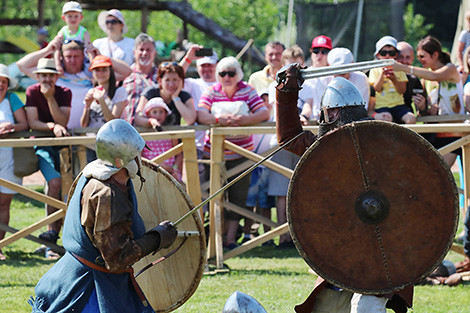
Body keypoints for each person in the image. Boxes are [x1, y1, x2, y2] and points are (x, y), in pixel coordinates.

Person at [275, 65, 412, 312]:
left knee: (366, 307)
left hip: (381, 251)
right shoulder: (322, 147)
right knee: (324, 308)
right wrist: (288, 92)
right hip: (343, 252)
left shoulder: (380, 144)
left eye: (335, 111)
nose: (331, 117)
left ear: (350, 112)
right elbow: (289, 137)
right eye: (328, 112)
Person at [28, 119, 178, 313]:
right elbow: (117, 258)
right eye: (136, 153)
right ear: (124, 160)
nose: (140, 157)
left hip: (80, 275)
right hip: (90, 288)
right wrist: (158, 238)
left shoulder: (92, 177)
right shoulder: (108, 194)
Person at [197, 56, 270, 249]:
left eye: (231, 73)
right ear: (218, 75)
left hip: (241, 154)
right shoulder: (211, 91)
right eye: (222, 73)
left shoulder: (247, 90)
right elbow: (201, 114)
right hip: (214, 154)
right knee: (214, 196)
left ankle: (229, 240)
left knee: (238, 197)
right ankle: (214, 240)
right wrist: (219, 119)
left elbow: (264, 113)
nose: (227, 77)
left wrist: (244, 120)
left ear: (238, 74)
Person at [17, 37, 132, 131]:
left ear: (83, 56)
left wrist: (101, 57)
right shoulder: (54, 76)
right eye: (68, 57)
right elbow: (22, 65)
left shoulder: (92, 75)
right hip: (63, 131)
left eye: (76, 56)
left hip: (86, 133)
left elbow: (127, 71)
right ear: (62, 57)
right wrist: (47, 50)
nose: (72, 60)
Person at [267, 46, 314, 248]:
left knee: (304, 189)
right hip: (284, 142)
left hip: (304, 138)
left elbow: (309, 107)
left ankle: (301, 237)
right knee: (281, 190)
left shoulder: (309, 84)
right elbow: (278, 110)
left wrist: (303, 117)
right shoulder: (274, 85)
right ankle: (283, 235)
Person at [392, 35, 465, 167]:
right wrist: (424, 107)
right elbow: (424, 113)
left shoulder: (450, 69)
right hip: (436, 133)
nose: (420, 60)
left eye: (422, 56)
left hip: (455, 132)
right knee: (434, 176)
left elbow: (434, 76)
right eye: (418, 57)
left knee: (441, 174)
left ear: (435, 55)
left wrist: (404, 68)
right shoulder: (425, 79)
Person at [25, 58, 72, 259]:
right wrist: (52, 126)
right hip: (42, 144)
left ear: (56, 76)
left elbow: (64, 120)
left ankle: (61, 239)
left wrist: (51, 98)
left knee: (68, 189)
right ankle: (51, 239)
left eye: (51, 75)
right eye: (43, 75)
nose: (47, 78)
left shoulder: (64, 93)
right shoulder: (32, 91)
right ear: (38, 76)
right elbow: (33, 122)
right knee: (54, 183)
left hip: (63, 145)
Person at [0, 64, 29, 261]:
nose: (0, 84)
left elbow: (24, 124)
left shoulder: (13, 99)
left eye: (3, 82)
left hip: (9, 158)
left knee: (4, 204)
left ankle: (0, 246)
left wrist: (12, 126)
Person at [81, 55, 128, 161]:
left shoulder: (119, 92)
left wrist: (101, 100)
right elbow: (84, 124)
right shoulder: (91, 92)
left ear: (110, 71)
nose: (100, 73)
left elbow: (113, 121)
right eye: (97, 70)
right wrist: (87, 106)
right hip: (92, 144)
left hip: (112, 145)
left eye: (104, 70)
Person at [134, 62, 196, 127]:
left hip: (174, 136)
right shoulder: (150, 93)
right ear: (160, 81)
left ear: (180, 81)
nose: (171, 84)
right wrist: (151, 121)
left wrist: (175, 98)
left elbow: (190, 120)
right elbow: (138, 118)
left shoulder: (185, 95)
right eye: (167, 80)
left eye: (175, 80)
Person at [369, 36, 414, 124]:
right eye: (384, 53)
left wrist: (394, 79)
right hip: (382, 106)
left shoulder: (399, 68)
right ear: (378, 55)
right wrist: (382, 74)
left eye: (391, 53)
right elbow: (376, 89)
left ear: (396, 55)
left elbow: (402, 90)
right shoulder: (374, 69)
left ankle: (404, 138)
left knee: (411, 119)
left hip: (399, 106)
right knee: (387, 119)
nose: (387, 56)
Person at [141, 97, 182, 182]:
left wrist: (175, 168)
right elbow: (140, 156)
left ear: (166, 114)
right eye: (154, 112)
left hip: (169, 173)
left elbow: (178, 154)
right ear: (148, 114)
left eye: (161, 112)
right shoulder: (144, 134)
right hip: (150, 172)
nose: (158, 115)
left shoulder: (170, 133)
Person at [122, 33, 159, 124]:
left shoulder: (161, 76)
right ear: (134, 53)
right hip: (128, 130)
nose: (144, 53)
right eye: (141, 49)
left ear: (154, 53)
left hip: (154, 131)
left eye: (148, 50)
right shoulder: (125, 74)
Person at [54, 1, 94, 76]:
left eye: (76, 16)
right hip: (65, 60)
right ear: (63, 18)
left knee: (90, 74)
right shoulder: (63, 32)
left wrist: (92, 63)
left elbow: (89, 49)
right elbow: (57, 49)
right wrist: (58, 64)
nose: (73, 19)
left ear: (81, 17)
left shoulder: (84, 32)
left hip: (82, 60)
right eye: (70, 16)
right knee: (57, 73)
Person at [396, 41, 429, 116]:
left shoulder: (413, 80)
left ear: (412, 59)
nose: (404, 61)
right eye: (400, 57)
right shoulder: (382, 76)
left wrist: (422, 106)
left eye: (407, 57)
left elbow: (422, 112)